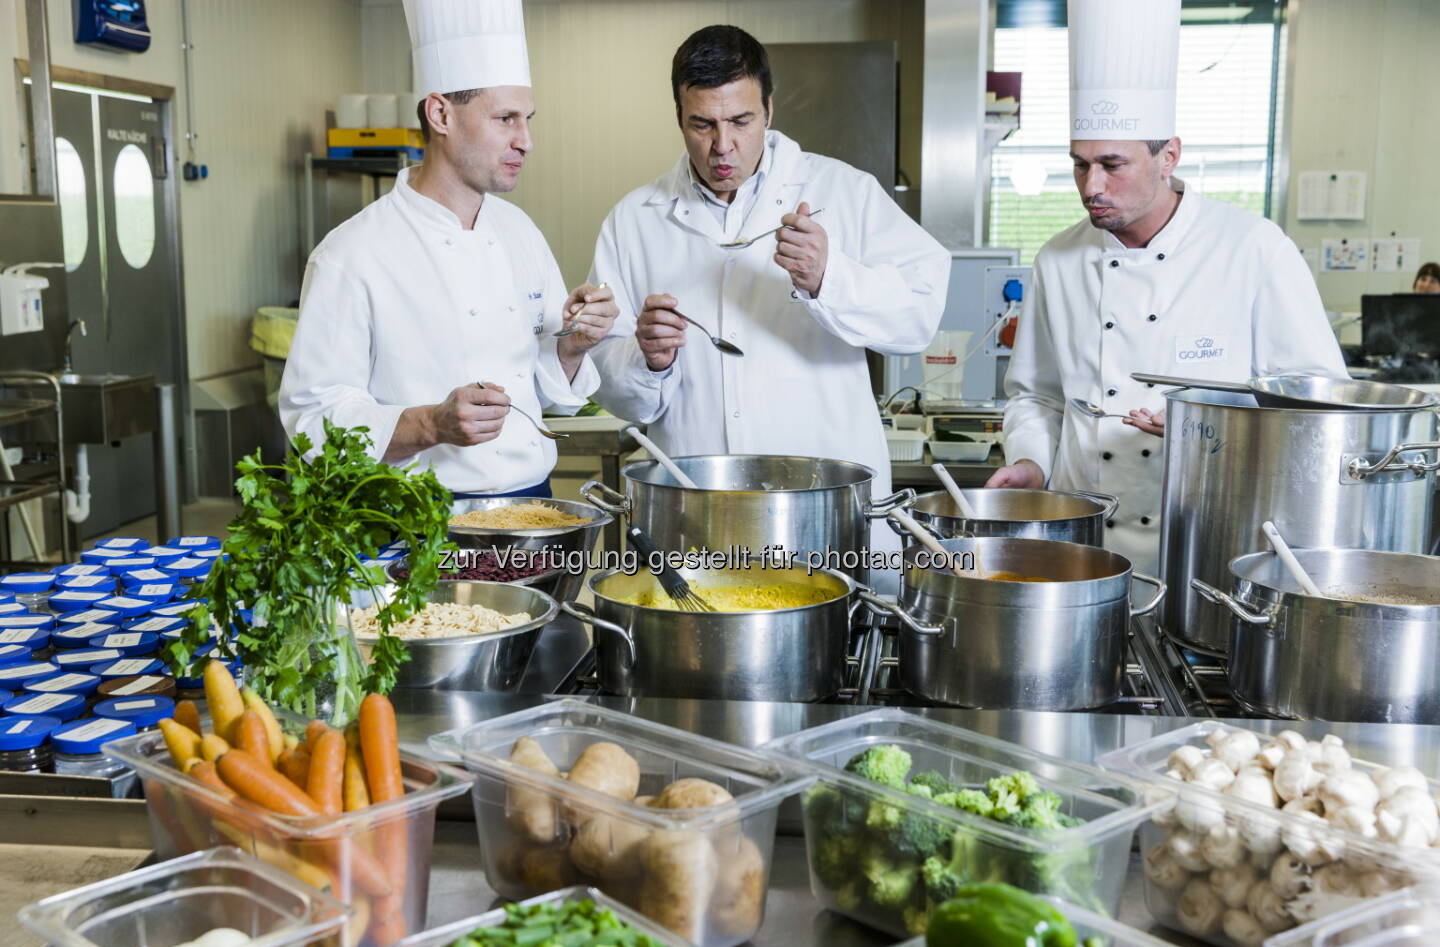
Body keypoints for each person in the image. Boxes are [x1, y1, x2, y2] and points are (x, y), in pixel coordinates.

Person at [987, 0, 1346, 575]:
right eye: (1079, 165)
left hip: (1208, 536)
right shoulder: (1059, 258)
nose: (1090, 186)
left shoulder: (1253, 249)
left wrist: (1207, 418)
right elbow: (1036, 395)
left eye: (1112, 164)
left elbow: (1318, 409)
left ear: (1169, 155)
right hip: (1083, 538)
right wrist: (1030, 461)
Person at [586, 25, 950, 574]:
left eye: (740, 121)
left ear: (769, 110)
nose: (722, 146)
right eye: (701, 124)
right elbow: (613, 388)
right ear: (679, 118)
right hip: (696, 521)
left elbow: (918, 317)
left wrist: (830, 277)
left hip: (825, 517)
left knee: (843, 651)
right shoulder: (635, 220)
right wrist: (646, 359)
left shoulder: (843, 193)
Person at [279, 0, 616, 498]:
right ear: (441, 114)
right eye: (506, 118)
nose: (527, 141)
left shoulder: (520, 232)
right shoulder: (351, 253)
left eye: (528, 119)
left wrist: (572, 346)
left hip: (532, 505)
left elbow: (541, 390)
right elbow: (313, 418)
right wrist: (429, 425)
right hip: (418, 522)